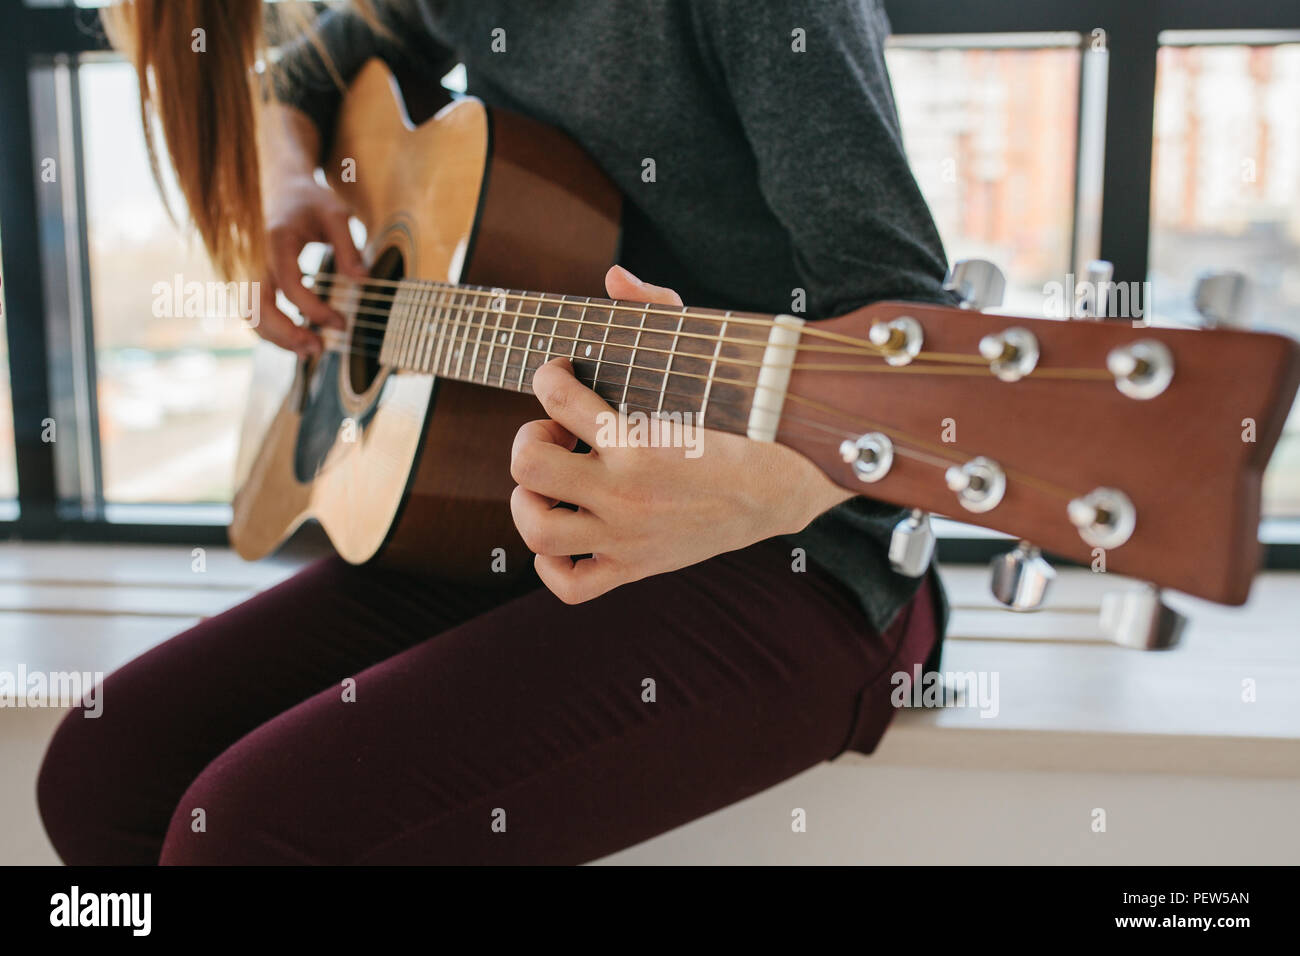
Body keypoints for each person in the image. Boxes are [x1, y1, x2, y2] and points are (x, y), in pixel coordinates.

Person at [38, 0, 952, 864]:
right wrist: (284, 183)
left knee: (241, 837)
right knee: (99, 772)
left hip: (809, 553)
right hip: (528, 510)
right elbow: (299, 79)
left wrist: (767, 494)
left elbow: (914, 346)